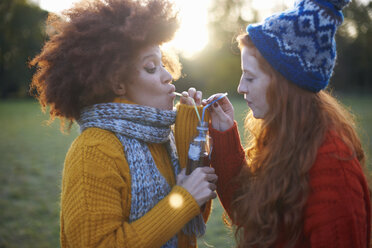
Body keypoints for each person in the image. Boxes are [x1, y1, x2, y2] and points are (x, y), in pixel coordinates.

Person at [29, 0, 217, 247]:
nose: (168, 75)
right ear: (118, 83)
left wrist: (189, 137)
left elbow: (189, 226)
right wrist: (184, 198)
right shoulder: (94, 150)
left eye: (163, 64)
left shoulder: (162, 138)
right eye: (151, 67)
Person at [207, 0, 371, 247]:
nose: (240, 87)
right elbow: (250, 213)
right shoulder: (285, 137)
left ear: (284, 84)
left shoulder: (333, 169)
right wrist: (223, 132)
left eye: (250, 77)